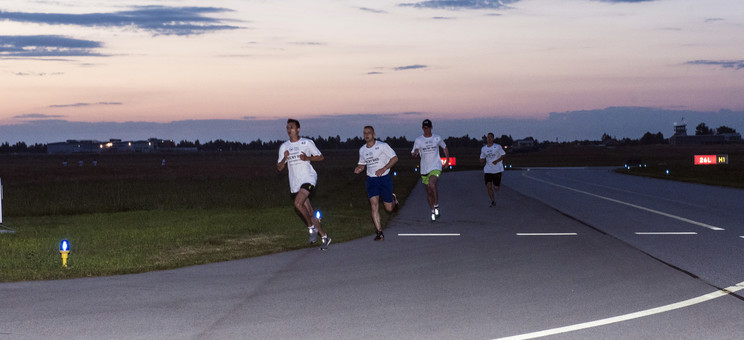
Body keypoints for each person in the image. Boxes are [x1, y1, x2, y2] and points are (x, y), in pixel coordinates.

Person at [277, 119, 331, 250]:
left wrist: (307, 158)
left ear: (298, 129)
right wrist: (284, 158)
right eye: (287, 127)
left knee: (297, 203)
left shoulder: (306, 142)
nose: (289, 129)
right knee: (310, 213)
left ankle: (311, 228)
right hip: (295, 183)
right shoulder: (284, 147)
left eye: (292, 127)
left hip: (309, 178)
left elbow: (320, 157)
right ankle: (324, 237)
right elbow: (279, 167)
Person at [354, 126, 399, 241]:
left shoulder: (383, 146)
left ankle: (394, 200)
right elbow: (362, 164)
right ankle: (379, 232)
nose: (366, 135)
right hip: (371, 180)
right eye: (364, 133)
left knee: (389, 208)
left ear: (374, 134)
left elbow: (395, 158)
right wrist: (359, 168)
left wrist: (384, 169)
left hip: (384, 178)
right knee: (374, 205)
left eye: (369, 133)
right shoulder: (362, 150)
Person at [411, 119, 449, 222]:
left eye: (427, 127)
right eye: (424, 128)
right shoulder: (419, 140)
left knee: (432, 184)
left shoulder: (437, 138)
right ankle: (433, 211)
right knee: (428, 192)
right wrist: (415, 153)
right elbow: (413, 153)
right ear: (422, 128)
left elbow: (445, 148)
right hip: (424, 168)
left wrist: (447, 160)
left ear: (431, 127)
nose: (426, 129)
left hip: (435, 165)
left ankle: (436, 205)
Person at [480, 132, 507, 207]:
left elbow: (504, 155)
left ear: (493, 138)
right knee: (488, 186)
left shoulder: (497, 147)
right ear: (486, 139)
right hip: (487, 170)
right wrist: (482, 160)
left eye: (491, 137)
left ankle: (496, 185)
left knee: (496, 188)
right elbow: (481, 158)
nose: (489, 139)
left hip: (497, 170)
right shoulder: (484, 148)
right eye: (488, 137)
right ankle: (493, 201)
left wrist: (497, 161)